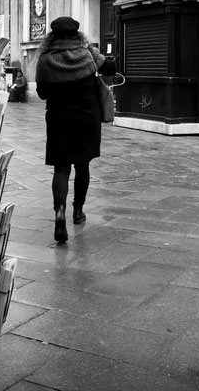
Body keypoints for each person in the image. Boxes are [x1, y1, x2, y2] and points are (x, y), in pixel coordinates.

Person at [35, 16, 116, 242]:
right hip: (86, 120)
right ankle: (78, 211)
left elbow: (42, 93)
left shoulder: (45, 59)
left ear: (52, 36)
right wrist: (94, 51)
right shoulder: (87, 54)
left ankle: (59, 216)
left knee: (61, 169)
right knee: (83, 166)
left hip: (60, 120)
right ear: (77, 35)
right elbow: (112, 68)